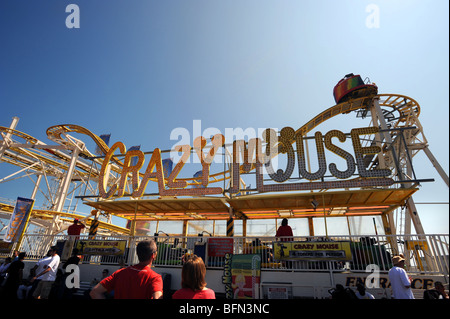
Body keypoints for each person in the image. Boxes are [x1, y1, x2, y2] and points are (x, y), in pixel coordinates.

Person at [90, 239, 163, 299]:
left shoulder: (119, 273)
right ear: (153, 255)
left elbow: (94, 292)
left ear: (137, 254)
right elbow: (157, 297)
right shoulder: (155, 278)